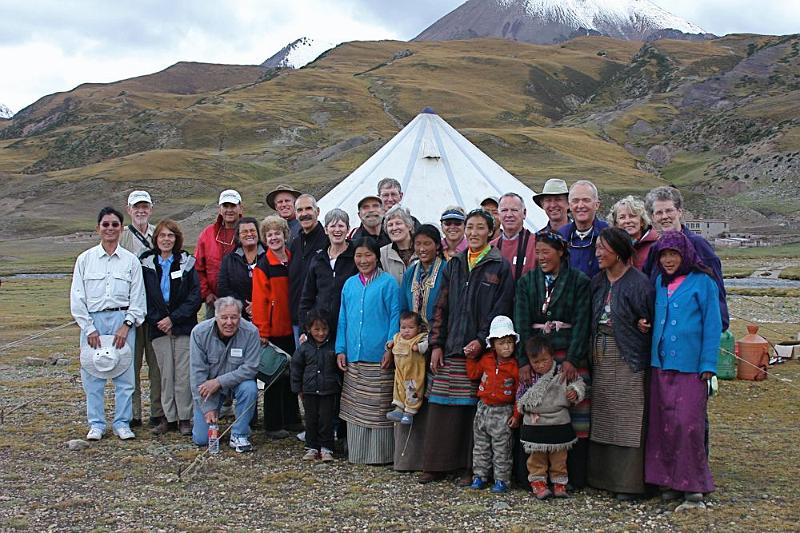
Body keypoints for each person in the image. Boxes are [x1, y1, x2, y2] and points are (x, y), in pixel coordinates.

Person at [424, 208, 514, 485]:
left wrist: (481, 338)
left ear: (490, 232)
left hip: (479, 349)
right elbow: (441, 306)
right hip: (451, 345)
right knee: (440, 406)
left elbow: (500, 308)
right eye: (470, 228)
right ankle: (437, 464)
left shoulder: (499, 265)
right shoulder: (455, 263)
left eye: (479, 228)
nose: (473, 233)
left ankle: (468, 467)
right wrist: (436, 343)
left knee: (471, 411)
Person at [646, 231, 721, 508]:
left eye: (673, 254)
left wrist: (708, 365)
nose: (668, 260)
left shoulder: (703, 282)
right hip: (661, 364)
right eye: (663, 255)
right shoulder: (658, 283)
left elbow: (712, 325)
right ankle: (669, 481)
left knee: (688, 425)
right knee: (663, 425)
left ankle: (693, 486)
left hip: (692, 366)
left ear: (685, 254)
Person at [514, 230, 591, 489]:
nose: (541, 257)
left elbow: (582, 323)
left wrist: (573, 359)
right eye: (538, 252)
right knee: (537, 412)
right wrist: (525, 360)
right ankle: (536, 477)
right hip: (537, 356)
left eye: (546, 251)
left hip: (569, 353)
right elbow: (522, 322)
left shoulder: (579, 281)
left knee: (575, 414)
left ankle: (570, 477)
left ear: (561, 252)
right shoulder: (527, 282)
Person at [588, 228, 654, 499]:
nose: (598, 253)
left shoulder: (640, 284)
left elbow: (649, 320)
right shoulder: (598, 282)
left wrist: (642, 326)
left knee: (628, 418)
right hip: (601, 355)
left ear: (619, 251)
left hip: (629, 357)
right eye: (596, 247)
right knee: (603, 414)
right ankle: (601, 478)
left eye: (603, 248)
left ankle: (629, 483)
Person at [70, 206, 146, 441]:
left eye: (115, 225)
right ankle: (96, 424)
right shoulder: (85, 260)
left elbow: (138, 297)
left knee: (125, 376)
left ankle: (122, 423)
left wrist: (127, 324)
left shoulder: (131, 261)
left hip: (122, 321)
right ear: (98, 228)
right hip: (94, 321)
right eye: (106, 224)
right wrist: (89, 327)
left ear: (121, 229)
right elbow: (77, 297)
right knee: (92, 375)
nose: (110, 228)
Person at [336, 237, 401, 464]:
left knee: (379, 406)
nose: (363, 260)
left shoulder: (388, 283)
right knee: (356, 407)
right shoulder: (349, 284)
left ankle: (380, 455)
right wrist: (340, 349)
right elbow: (343, 318)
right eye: (358, 256)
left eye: (368, 255)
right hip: (354, 355)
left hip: (379, 356)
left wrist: (390, 348)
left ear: (377, 257)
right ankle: (358, 453)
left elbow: (395, 317)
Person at [140, 219, 202, 436]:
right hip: (158, 328)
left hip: (183, 326)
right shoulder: (146, 263)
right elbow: (142, 296)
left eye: (171, 236)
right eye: (162, 235)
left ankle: (185, 417)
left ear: (177, 239)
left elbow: (196, 296)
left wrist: (173, 319)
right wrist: (160, 320)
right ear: (156, 238)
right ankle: (168, 417)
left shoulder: (187, 261)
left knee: (183, 373)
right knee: (165, 374)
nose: (166, 239)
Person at [394, 224, 447, 472]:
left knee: (432, 398)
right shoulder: (411, 273)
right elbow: (404, 309)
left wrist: (437, 341)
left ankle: (432, 460)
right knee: (409, 392)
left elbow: (450, 309)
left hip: (436, 342)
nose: (423, 249)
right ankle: (409, 459)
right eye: (419, 244)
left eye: (428, 243)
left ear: (437, 245)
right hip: (412, 345)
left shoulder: (446, 270)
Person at [643, 186, 729, 331]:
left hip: (692, 332)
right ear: (653, 218)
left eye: (669, 210)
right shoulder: (655, 249)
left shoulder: (698, 245)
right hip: (661, 329)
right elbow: (647, 286)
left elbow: (716, 290)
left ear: (679, 212)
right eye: (659, 212)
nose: (664, 216)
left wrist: (719, 324)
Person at [514, 337, 586, 500]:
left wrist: (574, 391)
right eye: (536, 361)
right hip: (535, 422)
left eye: (544, 360)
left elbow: (579, 383)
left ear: (552, 356)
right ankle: (538, 483)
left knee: (559, 457)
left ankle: (560, 483)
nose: (540, 365)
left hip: (558, 422)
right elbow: (520, 398)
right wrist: (523, 408)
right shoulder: (528, 377)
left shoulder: (561, 372)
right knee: (536, 458)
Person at [189, 297, 260, 453]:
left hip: (236, 384)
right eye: (224, 317)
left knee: (250, 387)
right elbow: (197, 374)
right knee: (201, 440)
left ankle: (239, 434)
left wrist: (219, 382)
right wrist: (208, 407)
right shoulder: (199, 333)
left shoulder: (251, 332)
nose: (229, 322)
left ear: (240, 316)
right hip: (209, 390)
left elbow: (251, 368)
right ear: (215, 317)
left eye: (234, 317)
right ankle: (206, 417)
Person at [251, 215, 300, 439]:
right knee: (274, 377)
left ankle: (292, 419)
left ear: (284, 235)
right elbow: (259, 300)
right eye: (269, 234)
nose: (273, 238)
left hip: (293, 327)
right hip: (274, 330)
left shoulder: (292, 259)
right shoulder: (264, 266)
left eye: (277, 233)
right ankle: (273, 424)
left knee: (292, 376)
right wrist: (261, 330)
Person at [119, 190, 162, 428]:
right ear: (129, 210)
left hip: (154, 311)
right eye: (136, 207)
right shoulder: (122, 236)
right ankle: (132, 414)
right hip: (130, 312)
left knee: (156, 366)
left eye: (145, 206)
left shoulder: (160, 234)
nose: (141, 211)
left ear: (151, 209)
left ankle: (157, 412)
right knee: (130, 365)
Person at [466, 316, 520, 494]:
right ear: (493, 344)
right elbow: (474, 373)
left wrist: (516, 414)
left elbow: (520, 392)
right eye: (502, 343)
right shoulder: (486, 360)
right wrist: (470, 357)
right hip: (483, 408)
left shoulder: (514, 366)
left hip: (503, 411)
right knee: (480, 445)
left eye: (510, 342)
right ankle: (480, 475)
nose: (507, 347)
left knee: (502, 448)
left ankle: (502, 479)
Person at [290, 309, 341, 462]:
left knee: (327, 420)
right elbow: (296, 368)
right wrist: (297, 388)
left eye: (324, 329)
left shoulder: (333, 347)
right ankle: (311, 446)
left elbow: (339, 369)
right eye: (316, 329)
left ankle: (326, 448)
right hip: (309, 390)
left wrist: (338, 385)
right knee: (311, 419)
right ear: (309, 329)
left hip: (329, 390)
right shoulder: (304, 348)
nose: (321, 333)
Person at [299, 208, 357, 338]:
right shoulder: (318, 259)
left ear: (348, 230)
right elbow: (307, 297)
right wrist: (303, 329)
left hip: (349, 326)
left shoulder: (356, 257)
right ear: (326, 230)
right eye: (333, 226)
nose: (337, 230)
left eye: (341, 226)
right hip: (321, 330)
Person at [195, 190, 244, 319]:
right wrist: (207, 294)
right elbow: (198, 267)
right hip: (214, 301)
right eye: (225, 206)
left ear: (240, 208)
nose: (229, 210)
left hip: (244, 301)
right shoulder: (207, 234)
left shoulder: (249, 232)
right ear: (219, 209)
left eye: (233, 206)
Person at [289, 194, 329, 345]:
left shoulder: (327, 241)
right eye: (300, 210)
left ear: (317, 211)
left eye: (308, 209)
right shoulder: (295, 243)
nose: (304, 213)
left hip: (321, 323)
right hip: (297, 319)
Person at [217, 217, 265, 321]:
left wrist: (257, 305)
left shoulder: (269, 256)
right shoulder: (229, 260)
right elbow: (223, 289)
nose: (249, 234)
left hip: (267, 313)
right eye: (244, 232)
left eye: (252, 230)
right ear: (238, 236)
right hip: (239, 317)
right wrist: (244, 305)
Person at [558, 180, 609, 278]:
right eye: (575, 201)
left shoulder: (608, 234)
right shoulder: (561, 236)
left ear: (597, 205)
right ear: (569, 205)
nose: (580, 205)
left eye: (586, 200)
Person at [385, 311, 428, 425]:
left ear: (418, 329)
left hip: (414, 373)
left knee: (413, 391)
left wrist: (418, 347)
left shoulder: (420, 338)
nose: (406, 331)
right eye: (403, 327)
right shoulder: (398, 337)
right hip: (400, 372)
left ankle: (410, 411)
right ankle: (398, 409)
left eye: (410, 327)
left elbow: (427, 344)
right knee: (398, 389)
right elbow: (391, 342)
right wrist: (389, 345)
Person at [492, 193, 537, 280]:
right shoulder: (491, 247)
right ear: (498, 215)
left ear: (524, 213)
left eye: (514, 210)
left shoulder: (537, 244)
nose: (509, 215)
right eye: (504, 210)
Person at [608, 195, 658, 270]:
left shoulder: (656, 244)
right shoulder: (611, 247)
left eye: (632, 216)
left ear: (642, 221)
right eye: (622, 217)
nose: (627, 221)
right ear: (616, 224)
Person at [380, 205, 417, 285]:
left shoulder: (422, 249)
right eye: (390, 225)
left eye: (398, 223)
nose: (394, 228)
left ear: (409, 226)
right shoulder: (382, 254)